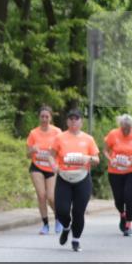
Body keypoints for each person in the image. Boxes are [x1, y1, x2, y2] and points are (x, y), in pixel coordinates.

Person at [49, 109, 100, 252]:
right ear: (67, 122)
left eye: (76, 119)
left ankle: (76, 240)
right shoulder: (60, 138)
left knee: (78, 212)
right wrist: (53, 165)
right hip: (64, 177)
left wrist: (88, 158)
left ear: (81, 122)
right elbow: (51, 155)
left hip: (82, 178)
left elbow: (97, 159)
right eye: (70, 119)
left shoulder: (88, 139)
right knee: (61, 210)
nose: (73, 121)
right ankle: (66, 227)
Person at [104, 114, 132, 237]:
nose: (126, 131)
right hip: (115, 171)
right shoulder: (113, 134)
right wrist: (110, 159)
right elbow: (105, 150)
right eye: (124, 128)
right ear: (120, 126)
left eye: (129, 128)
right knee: (118, 199)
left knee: (128, 196)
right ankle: (122, 214)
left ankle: (128, 224)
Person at [26, 106, 60, 234]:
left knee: (51, 197)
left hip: (51, 168)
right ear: (39, 117)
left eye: (47, 116)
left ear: (50, 118)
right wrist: (32, 150)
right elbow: (27, 155)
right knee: (41, 196)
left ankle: (58, 219)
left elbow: (61, 150)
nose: (44, 119)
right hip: (37, 166)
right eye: (42, 116)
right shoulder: (33, 133)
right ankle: (45, 224)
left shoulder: (57, 132)